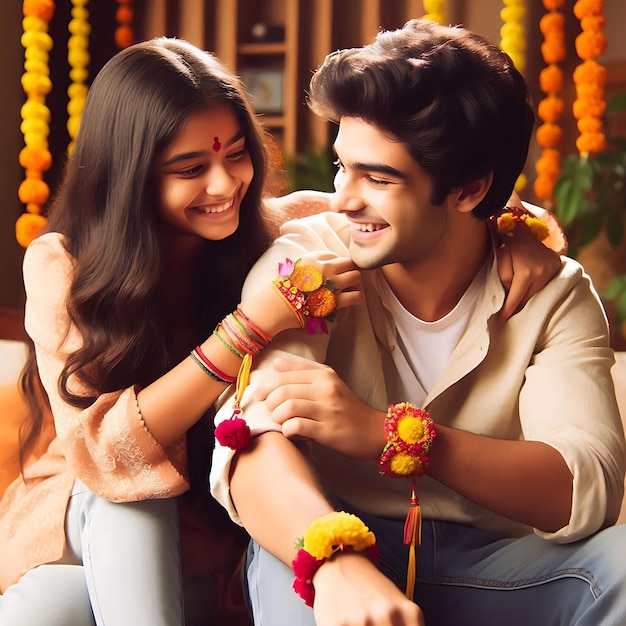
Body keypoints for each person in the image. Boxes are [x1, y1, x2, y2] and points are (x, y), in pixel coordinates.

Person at [209, 20, 626, 626]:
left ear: (470, 188)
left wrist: (391, 435)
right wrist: (336, 560)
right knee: (295, 558)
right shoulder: (305, 262)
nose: (344, 199)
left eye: (377, 177)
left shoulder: (554, 292)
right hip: (334, 533)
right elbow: (247, 442)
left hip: (496, 563)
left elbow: (586, 486)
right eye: (341, 167)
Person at [0, 37, 364, 626]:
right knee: (131, 501)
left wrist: (516, 231)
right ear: (131, 175)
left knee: (47, 610)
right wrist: (252, 325)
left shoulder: (274, 233)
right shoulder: (62, 265)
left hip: (209, 533)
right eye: (191, 168)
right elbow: (106, 455)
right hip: (86, 502)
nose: (225, 185)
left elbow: (406, 205)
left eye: (237, 155)